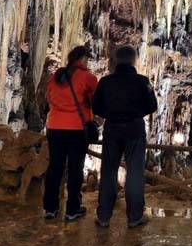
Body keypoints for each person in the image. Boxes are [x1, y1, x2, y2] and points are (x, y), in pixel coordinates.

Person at [92, 45, 158, 228]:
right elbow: (152, 106)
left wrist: (111, 114)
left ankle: (104, 216)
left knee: (109, 171)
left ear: (116, 60)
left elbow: (96, 106)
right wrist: (136, 113)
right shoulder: (142, 81)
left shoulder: (106, 82)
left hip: (112, 128)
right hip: (134, 129)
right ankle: (134, 216)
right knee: (135, 173)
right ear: (133, 60)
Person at [43, 46, 98, 221]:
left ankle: (50, 208)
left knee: (55, 168)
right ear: (82, 59)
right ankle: (72, 209)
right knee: (75, 169)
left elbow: (50, 98)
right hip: (76, 129)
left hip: (55, 126)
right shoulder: (88, 78)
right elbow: (93, 102)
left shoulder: (55, 77)